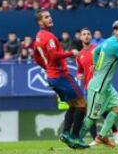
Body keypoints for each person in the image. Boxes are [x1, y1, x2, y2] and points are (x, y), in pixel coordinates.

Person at [33, 10, 88, 149]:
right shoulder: (49, 37)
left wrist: (47, 68)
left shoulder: (38, 37)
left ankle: (65, 134)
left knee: (73, 105)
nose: (50, 18)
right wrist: (71, 53)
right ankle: (75, 137)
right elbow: (53, 56)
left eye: (50, 16)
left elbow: (36, 56)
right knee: (82, 104)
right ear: (40, 22)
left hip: (52, 77)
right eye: (46, 17)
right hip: (61, 75)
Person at [76, 28, 118, 146]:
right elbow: (80, 70)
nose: (86, 36)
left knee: (105, 111)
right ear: (80, 37)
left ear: (91, 37)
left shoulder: (97, 49)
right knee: (91, 115)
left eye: (88, 34)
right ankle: (95, 139)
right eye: (84, 34)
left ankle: (115, 132)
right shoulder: (79, 55)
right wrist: (79, 75)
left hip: (101, 85)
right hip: (88, 88)